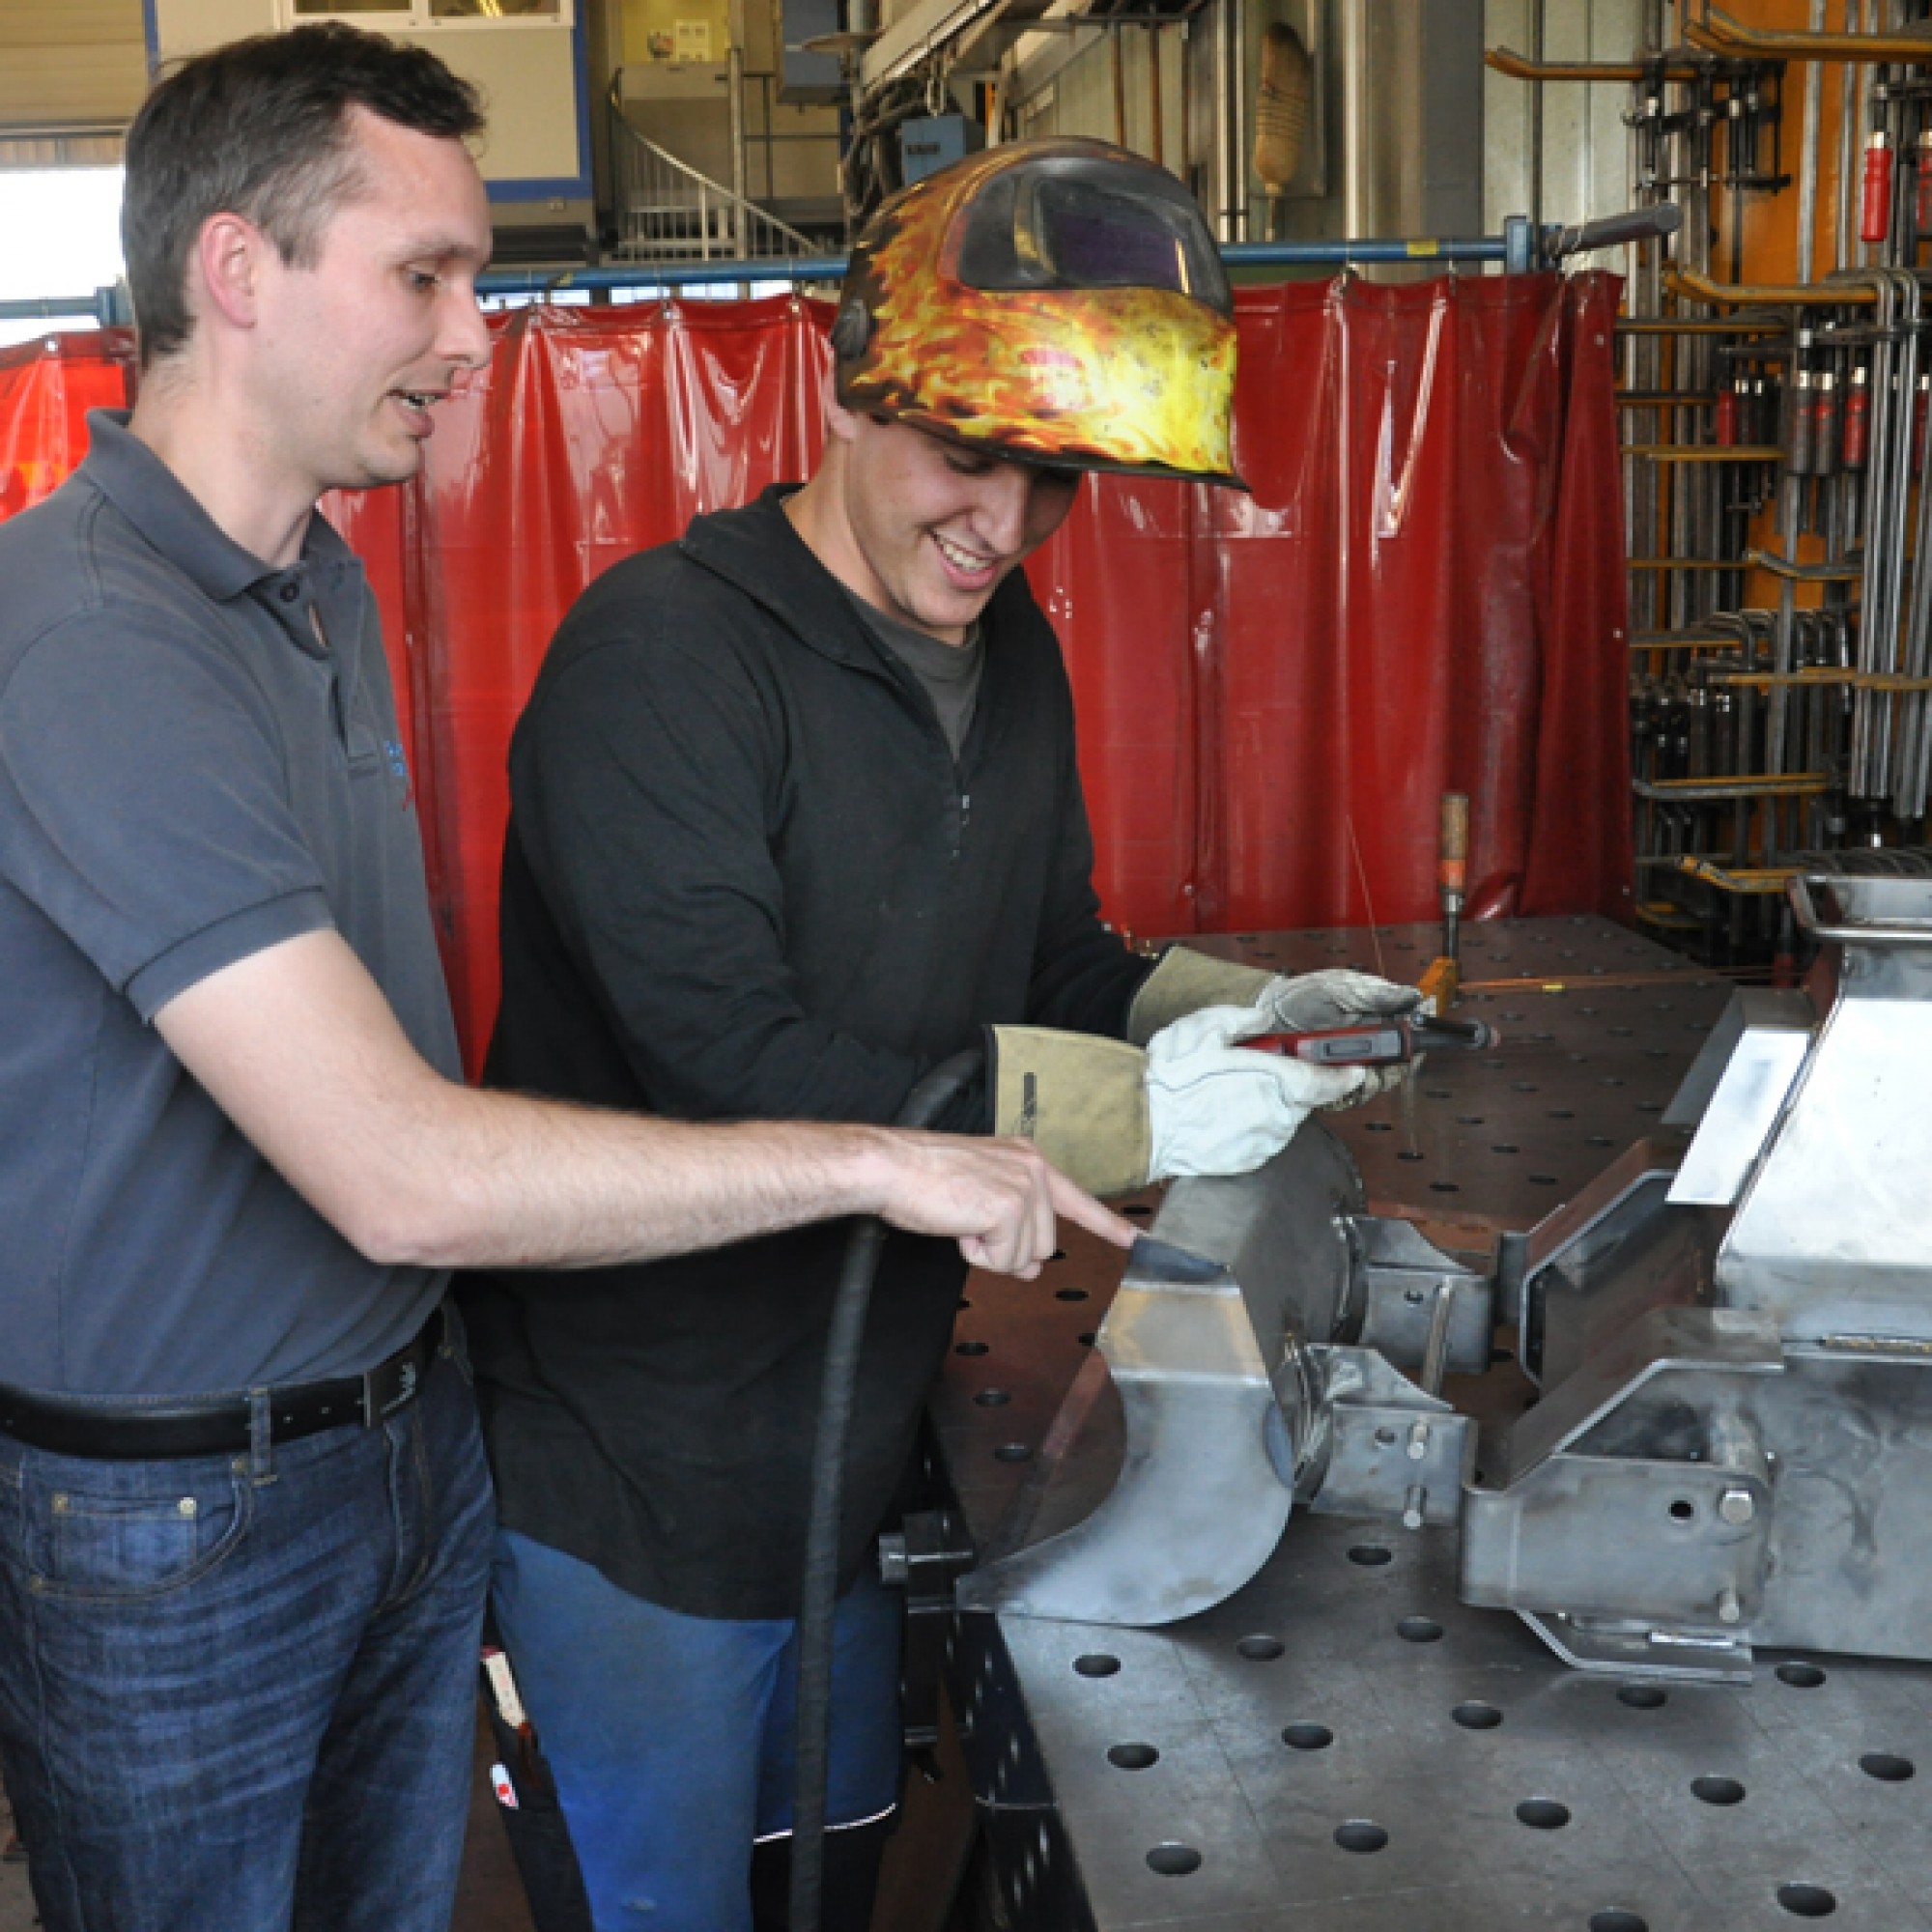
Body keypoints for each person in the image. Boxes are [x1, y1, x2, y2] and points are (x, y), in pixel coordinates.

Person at [0, 34, 1126, 1932]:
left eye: (475, 275)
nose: (471, 330)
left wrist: (1185, 1044)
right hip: (179, 1512)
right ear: (234, 271)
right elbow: (403, 1168)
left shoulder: (313, 589)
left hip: (395, 1429)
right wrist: (881, 1157)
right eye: (424, 273)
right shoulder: (92, 633)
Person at [466, 137, 1420, 1932]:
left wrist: (1254, 1019)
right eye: (966, 454)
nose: (1004, 520)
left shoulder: (1012, 651)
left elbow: (1053, 957)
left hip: (848, 1443)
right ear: (850, 386)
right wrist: (1143, 1116)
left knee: (817, 1893)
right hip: (634, 1486)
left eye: (1051, 474)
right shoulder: (664, 662)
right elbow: (731, 1069)